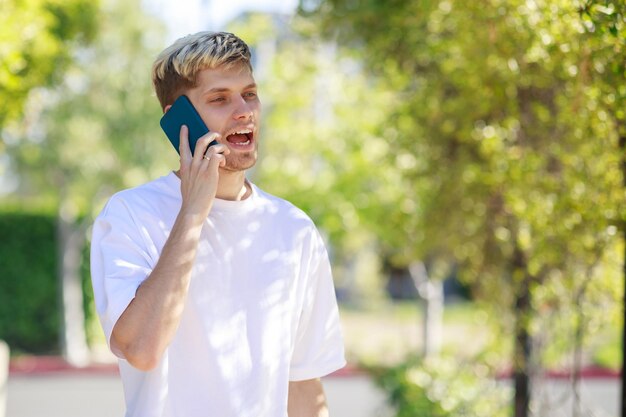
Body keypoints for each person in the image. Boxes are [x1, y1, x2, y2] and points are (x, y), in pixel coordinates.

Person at [90, 31, 346, 417]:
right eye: (220, 99)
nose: (244, 111)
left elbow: (302, 383)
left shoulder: (294, 230)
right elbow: (141, 349)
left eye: (250, 94)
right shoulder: (130, 214)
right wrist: (193, 210)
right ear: (178, 120)